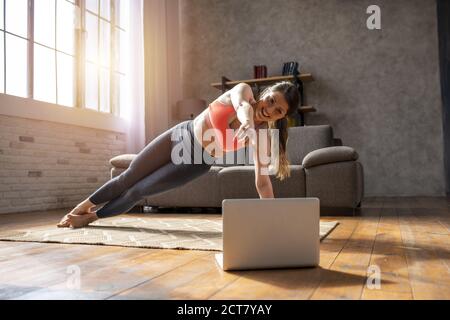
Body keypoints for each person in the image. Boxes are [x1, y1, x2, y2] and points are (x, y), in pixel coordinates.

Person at [57, 81, 299, 228]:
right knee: (128, 177)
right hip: (179, 135)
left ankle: (91, 217)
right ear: (265, 93)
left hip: (194, 162)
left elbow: (262, 181)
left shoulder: (263, 137)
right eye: (270, 101)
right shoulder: (243, 92)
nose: (269, 110)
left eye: (278, 111)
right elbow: (242, 107)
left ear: (282, 117)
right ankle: (82, 206)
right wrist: (246, 121)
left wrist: (272, 215)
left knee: (138, 191)